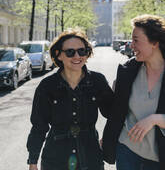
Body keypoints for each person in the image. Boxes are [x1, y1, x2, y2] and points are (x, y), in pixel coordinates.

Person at [27, 28, 114, 170]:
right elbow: (38, 126)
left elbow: (113, 114)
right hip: (55, 160)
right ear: (58, 55)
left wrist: (109, 138)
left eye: (82, 51)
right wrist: (33, 161)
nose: (77, 56)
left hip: (90, 158)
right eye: (70, 52)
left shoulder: (97, 81)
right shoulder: (47, 86)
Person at [102, 14, 165, 170]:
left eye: (136, 40)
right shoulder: (128, 71)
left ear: (155, 43)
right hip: (126, 152)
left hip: (159, 157)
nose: (131, 46)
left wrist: (155, 119)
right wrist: (111, 134)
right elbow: (117, 111)